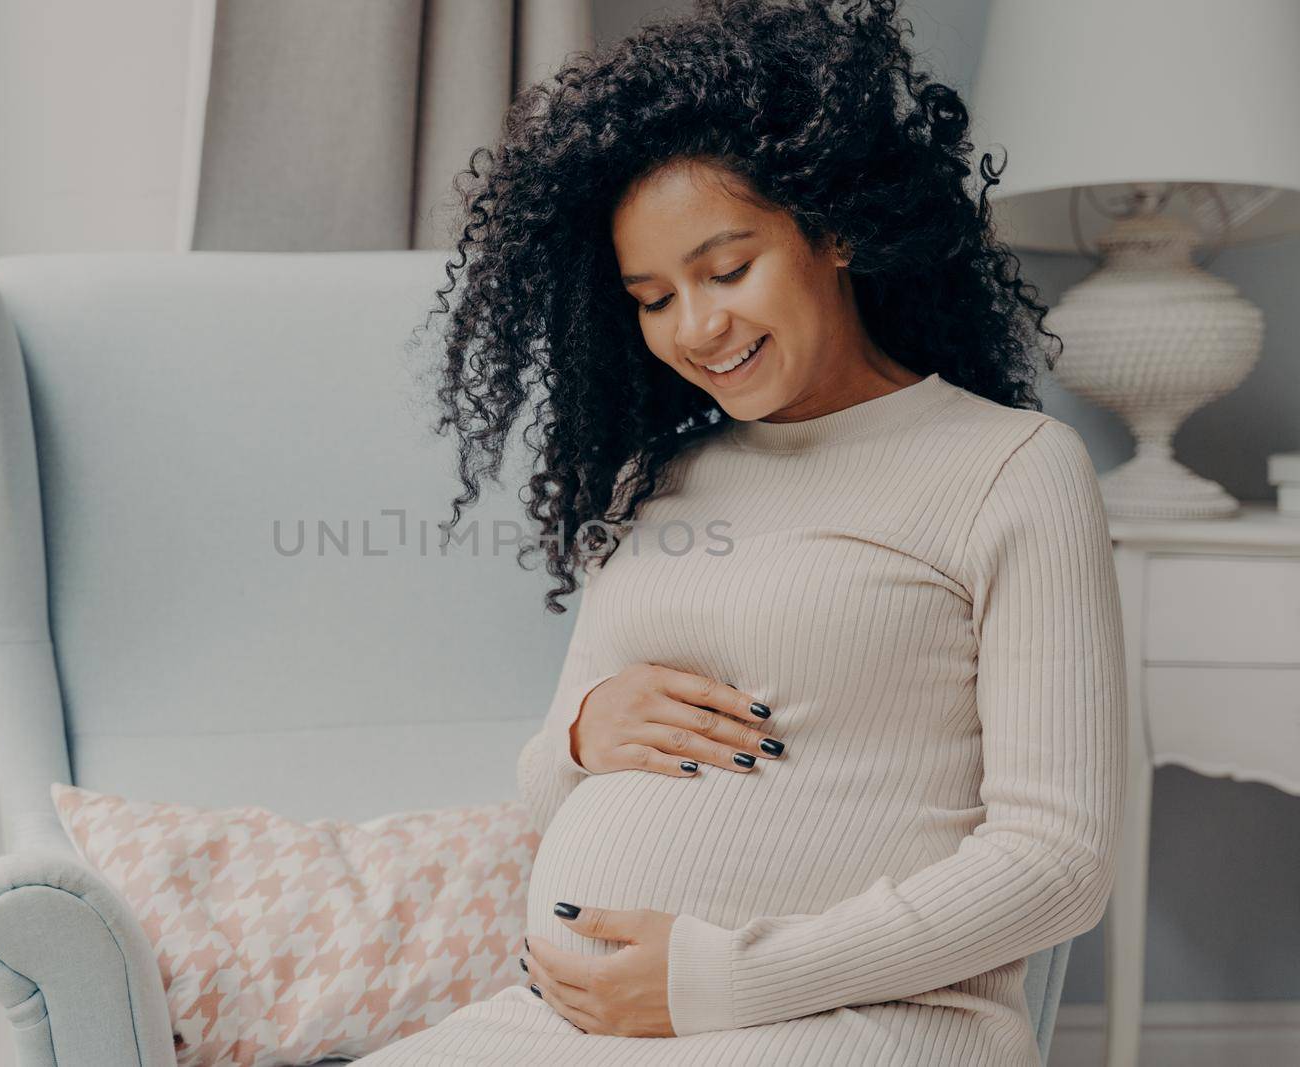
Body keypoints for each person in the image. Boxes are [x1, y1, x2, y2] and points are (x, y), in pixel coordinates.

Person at [354, 0, 1125, 1063]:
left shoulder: (1008, 469)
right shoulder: (652, 476)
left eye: (726, 270)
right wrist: (583, 733)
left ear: (835, 228)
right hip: (570, 1020)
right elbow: (544, 785)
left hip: (865, 1018)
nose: (696, 327)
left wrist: (720, 977)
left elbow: (1057, 860)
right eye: (652, 296)